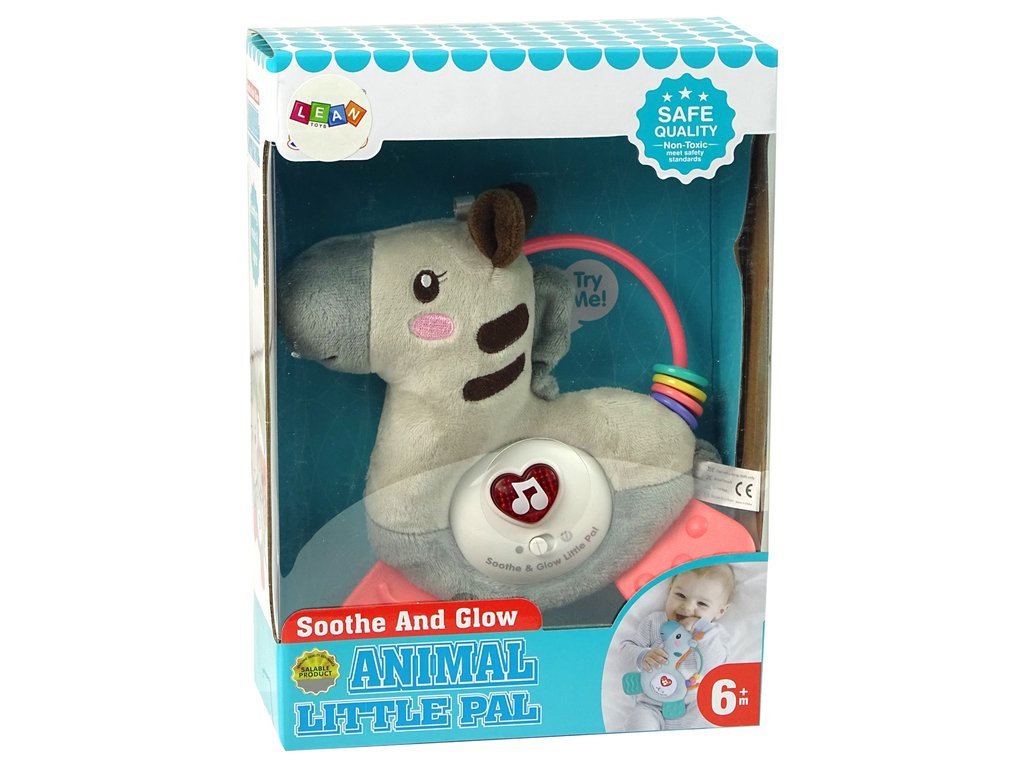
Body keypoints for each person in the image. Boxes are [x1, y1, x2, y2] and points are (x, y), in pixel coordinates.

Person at [621, 564, 734, 730]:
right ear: (669, 591)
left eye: (702, 604)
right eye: (680, 595)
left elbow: (713, 668)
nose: (687, 607)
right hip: (650, 705)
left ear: (720, 611)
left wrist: (701, 631)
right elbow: (625, 650)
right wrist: (642, 656)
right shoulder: (654, 622)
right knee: (639, 725)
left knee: (707, 719)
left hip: (693, 704)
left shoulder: (713, 634)